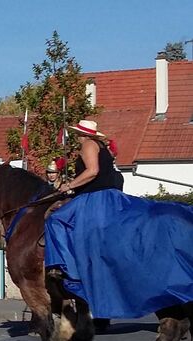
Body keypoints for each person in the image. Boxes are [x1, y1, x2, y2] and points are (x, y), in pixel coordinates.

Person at [45, 120, 193, 319]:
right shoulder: (101, 146)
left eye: (77, 133)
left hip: (95, 199)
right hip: (109, 196)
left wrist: (69, 185)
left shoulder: (88, 144)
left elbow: (92, 171)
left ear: (82, 133)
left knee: (55, 221)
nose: (75, 136)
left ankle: (62, 268)